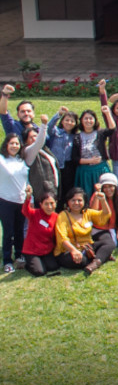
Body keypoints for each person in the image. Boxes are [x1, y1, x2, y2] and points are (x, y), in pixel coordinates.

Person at [0, 126, 47, 273]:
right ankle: (7, 260)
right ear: (6, 145)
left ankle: (19, 255)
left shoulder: (22, 160)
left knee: (20, 230)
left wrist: (44, 125)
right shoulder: (1, 160)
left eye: (17, 143)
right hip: (5, 201)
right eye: (11, 143)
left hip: (22, 201)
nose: (14, 146)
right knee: (8, 232)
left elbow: (39, 143)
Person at [54, 186, 114, 275]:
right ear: (68, 201)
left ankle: (95, 262)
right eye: (73, 200)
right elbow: (62, 238)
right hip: (69, 251)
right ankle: (101, 258)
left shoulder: (87, 213)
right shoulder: (63, 216)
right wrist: (73, 251)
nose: (76, 203)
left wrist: (103, 200)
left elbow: (105, 215)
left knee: (110, 244)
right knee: (81, 260)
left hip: (87, 247)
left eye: (79, 200)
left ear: (84, 201)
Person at [72, 107, 113, 199]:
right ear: (81, 121)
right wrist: (90, 160)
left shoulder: (100, 133)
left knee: (105, 194)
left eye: (91, 118)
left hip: (100, 169)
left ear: (95, 120)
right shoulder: (77, 137)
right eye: (85, 118)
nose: (88, 121)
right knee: (87, 195)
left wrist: (108, 113)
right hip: (85, 172)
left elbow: (112, 129)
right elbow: (74, 158)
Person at [21, 186, 59, 277]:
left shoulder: (57, 216)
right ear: (41, 204)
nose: (49, 207)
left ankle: (40, 261)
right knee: (40, 272)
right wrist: (28, 197)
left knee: (53, 267)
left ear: (56, 203)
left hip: (46, 250)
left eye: (52, 203)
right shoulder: (34, 214)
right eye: (46, 204)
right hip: (32, 250)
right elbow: (25, 210)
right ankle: (27, 264)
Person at [46, 106, 78, 201]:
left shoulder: (75, 136)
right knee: (55, 189)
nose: (69, 123)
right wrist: (58, 114)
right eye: (67, 120)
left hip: (69, 167)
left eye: (72, 121)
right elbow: (48, 127)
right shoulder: (56, 132)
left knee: (67, 190)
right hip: (54, 165)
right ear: (62, 121)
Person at [89, 172, 118, 248]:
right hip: (99, 229)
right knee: (111, 244)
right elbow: (93, 213)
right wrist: (98, 193)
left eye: (110, 186)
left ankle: (114, 239)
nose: (108, 189)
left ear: (115, 187)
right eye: (105, 187)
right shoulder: (97, 196)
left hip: (114, 227)